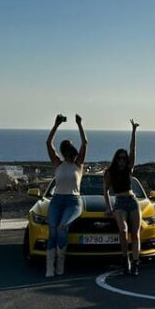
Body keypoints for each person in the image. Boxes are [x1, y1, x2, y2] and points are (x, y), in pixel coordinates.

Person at [44, 114, 88, 278]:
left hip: (73, 202)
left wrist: (79, 124)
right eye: (69, 149)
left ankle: (60, 262)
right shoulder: (58, 163)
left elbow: (85, 143)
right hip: (57, 200)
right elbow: (48, 143)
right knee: (53, 232)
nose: (72, 152)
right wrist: (56, 125)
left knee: (62, 228)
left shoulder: (79, 164)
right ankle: (50, 267)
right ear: (65, 151)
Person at [104, 119, 141, 276]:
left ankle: (135, 263)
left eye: (124, 158)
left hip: (132, 201)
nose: (122, 160)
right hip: (119, 202)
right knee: (123, 230)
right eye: (119, 158)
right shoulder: (110, 172)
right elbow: (105, 191)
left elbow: (133, 150)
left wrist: (133, 132)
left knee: (135, 233)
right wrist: (109, 208)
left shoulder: (128, 169)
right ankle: (125, 259)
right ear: (115, 159)